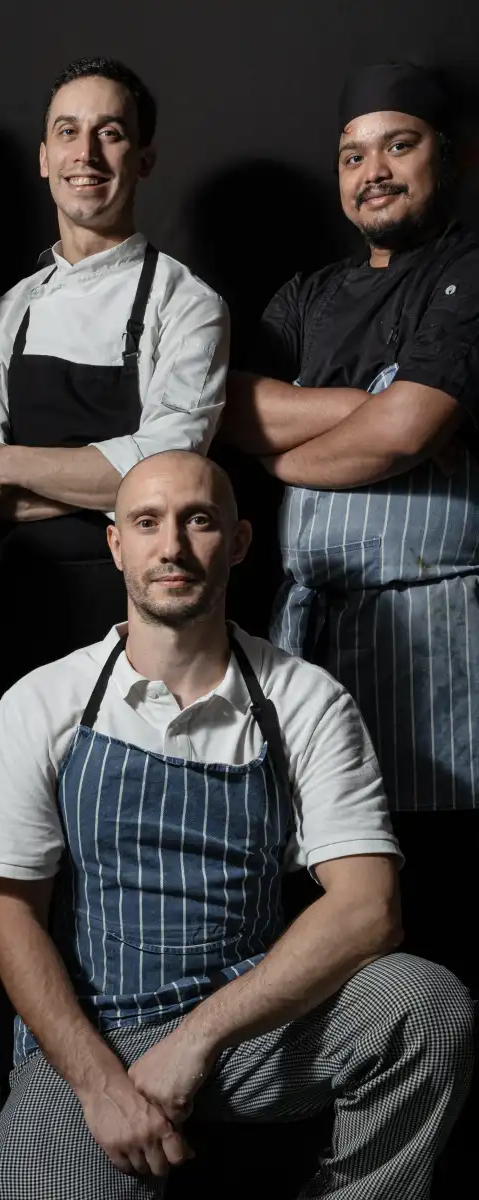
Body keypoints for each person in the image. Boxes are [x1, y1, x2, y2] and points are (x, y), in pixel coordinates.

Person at [0, 449, 472, 1200]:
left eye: (198, 521)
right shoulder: (44, 700)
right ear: (116, 544)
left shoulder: (305, 699)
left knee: (423, 1004)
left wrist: (198, 1040)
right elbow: (11, 916)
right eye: (147, 523)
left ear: (236, 543)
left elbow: (369, 910)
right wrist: (103, 1085)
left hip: (254, 1025)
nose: (172, 547)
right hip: (94, 1036)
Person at [221, 62, 479, 993]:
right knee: (320, 876)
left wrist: (299, 442)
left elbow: (409, 428)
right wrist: (365, 416)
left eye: (398, 146)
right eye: (352, 154)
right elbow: (239, 413)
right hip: (312, 633)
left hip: (438, 637)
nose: (373, 170)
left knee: (437, 891)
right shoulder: (305, 295)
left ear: (449, 157)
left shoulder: (466, 272)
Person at [0, 58, 229, 688]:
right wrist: (108, 491)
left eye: (111, 133)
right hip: (15, 607)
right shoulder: (6, 313)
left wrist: (7, 463)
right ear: (44, 157)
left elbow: (169, 474)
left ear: (143, 159)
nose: (86, 154)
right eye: (67, 132)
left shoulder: (187, 304)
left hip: (141, 615)